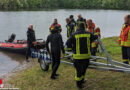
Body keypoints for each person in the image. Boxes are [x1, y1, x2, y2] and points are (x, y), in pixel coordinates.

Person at [66, 23, 98, 89]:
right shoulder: (88, 34)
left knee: (78, 70)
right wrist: (96, 35)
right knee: (84, 69)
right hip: (86, 56)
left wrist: (72, 47)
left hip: (77, 57)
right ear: (84, 27)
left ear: (78, 27)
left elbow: (67, 43)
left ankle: (79, 85)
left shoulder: (74, 34)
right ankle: (82, 80)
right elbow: (95, 37)